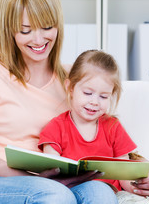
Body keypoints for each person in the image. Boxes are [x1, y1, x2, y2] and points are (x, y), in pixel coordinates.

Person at [0, 0, 149, 204]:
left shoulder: (75, 81)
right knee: (54, 195)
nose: (38, 39)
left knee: (101, 193)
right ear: (9, 30)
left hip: (62, 183)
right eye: (25, 30)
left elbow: (105, 139)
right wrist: (40, 179)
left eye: (47, 27)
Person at [38, 49, 137, 193]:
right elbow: (52, 169)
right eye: (88, 93)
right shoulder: (56, 127)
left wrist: (137, 189)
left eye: (103, 96)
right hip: (69, 191)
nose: (95, 102)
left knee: (100, 191)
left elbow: (124, 171)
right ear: (70, 88)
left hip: (104, 191)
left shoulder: (112, 126)